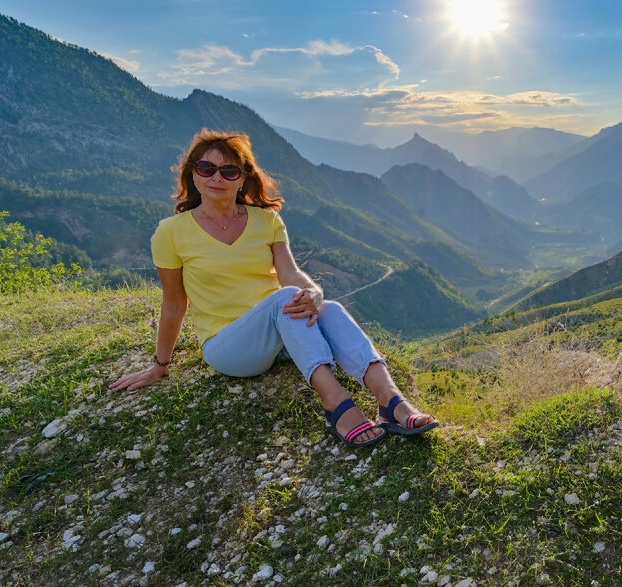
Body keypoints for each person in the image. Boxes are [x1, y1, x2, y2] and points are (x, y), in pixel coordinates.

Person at [110, 130, 438, 447]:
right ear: (192, 175)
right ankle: (336, 403)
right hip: (228, 347)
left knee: (330, 309)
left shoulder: (266, 221)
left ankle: (391, 402)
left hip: (282, 334)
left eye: (229, 170)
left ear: (242, 178)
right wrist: (160, 366)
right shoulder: (170, 233)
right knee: (285, 301)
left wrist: (315, 294)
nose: (217, 178)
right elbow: (173, 304)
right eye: (206, 168)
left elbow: (290, 274)